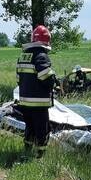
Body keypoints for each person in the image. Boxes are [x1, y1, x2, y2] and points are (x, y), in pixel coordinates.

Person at [15, 25, 58, 155]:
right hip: (39, 104)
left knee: (30, 128)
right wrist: (55, 82)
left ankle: (27, 151)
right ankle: (40, 155)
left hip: (25, 102)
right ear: (47, 40)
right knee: (42, 130)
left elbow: (18, 79)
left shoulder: (23, 56)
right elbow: (45, 77)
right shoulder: (41, 56)